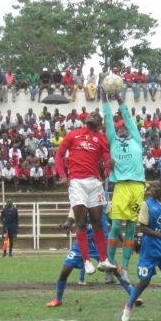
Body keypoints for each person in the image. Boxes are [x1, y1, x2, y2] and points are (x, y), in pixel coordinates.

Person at [55, 111, 115, 275]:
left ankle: (103, 260)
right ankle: (87, 261)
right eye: (91, 114)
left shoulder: (101, 139)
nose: (92, 115)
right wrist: (62, 175)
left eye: (96, 115)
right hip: (77, 183)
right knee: (81, 222)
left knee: (97, 223)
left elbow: (107, 161)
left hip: (95, 183)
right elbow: (59, 155)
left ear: (99, 123)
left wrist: (108, 168)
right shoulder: (73, 135)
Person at [46, 208, 143, 307]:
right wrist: (66, 226)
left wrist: (123, 241)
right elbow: (70, 220)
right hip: (82, 243)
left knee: (115, 270)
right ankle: (58, 299)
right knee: (65, 270)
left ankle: (134, 296)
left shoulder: (104, 203)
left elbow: (115, 225)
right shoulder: (78, 201)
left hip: (100, 244)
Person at [121, 179, 161, 321]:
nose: (151, 189)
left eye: (155, 187)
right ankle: (128, 306)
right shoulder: (147, 205)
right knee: (144, 282)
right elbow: (142, 228)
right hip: (149, 249)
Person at [101, 86, 146, 283]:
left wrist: (120, 100)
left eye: (124, 125)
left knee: (131, 228)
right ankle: (110, 265)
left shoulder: (137, 138)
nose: (121, 127)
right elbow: (108, 119)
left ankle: (125, 267)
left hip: (137, 187)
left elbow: (128, 117)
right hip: (121, 186)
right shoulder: (113, 140)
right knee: (116, 225)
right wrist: (104, 100)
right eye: (119, 126)